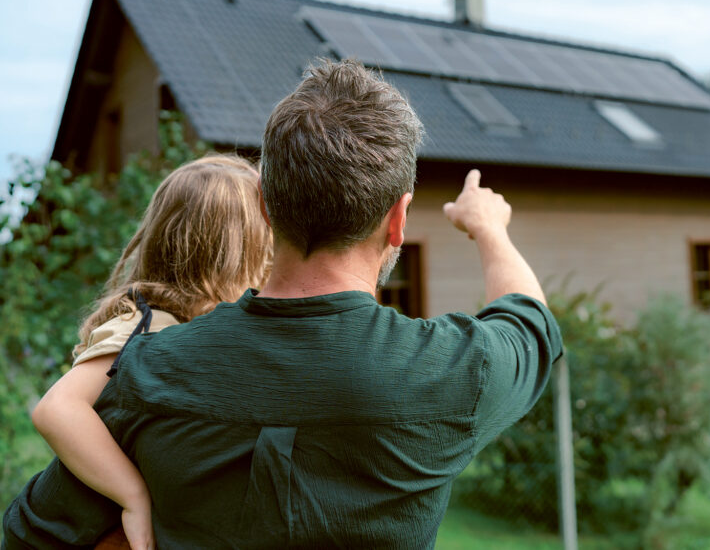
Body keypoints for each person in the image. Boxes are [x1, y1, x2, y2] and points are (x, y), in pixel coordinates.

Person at [3, 59, 563, 549]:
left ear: (267, 208)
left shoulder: (148, 368)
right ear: (398, 220)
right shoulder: (457, 370)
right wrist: (489, 229)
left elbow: (31, 534)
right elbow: (528, 317)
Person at [29, 154, 273, 550]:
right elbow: (57, 409)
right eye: (265, 245)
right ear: (234, 256)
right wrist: (133, 496)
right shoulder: (145, 326)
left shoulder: (191, 327)